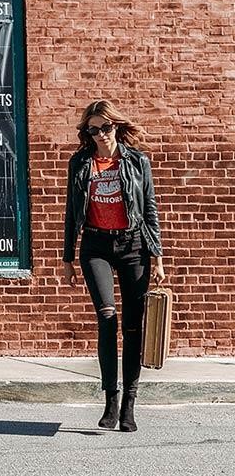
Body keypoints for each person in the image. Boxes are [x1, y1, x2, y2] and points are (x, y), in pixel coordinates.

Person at [61, 99, 164, 432]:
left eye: (105, 127)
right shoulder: (80, 163)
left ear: (116, 126)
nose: (100, 134)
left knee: (133, 326)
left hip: (133, 246)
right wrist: (67, 257)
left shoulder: (137, 162)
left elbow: (149, 211)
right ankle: (110, 399)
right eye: (93, 129)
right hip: (95, 246)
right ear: (87, 133)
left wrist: (157, 256)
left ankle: (130, 405)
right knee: (107, 317)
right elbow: (70, 213)